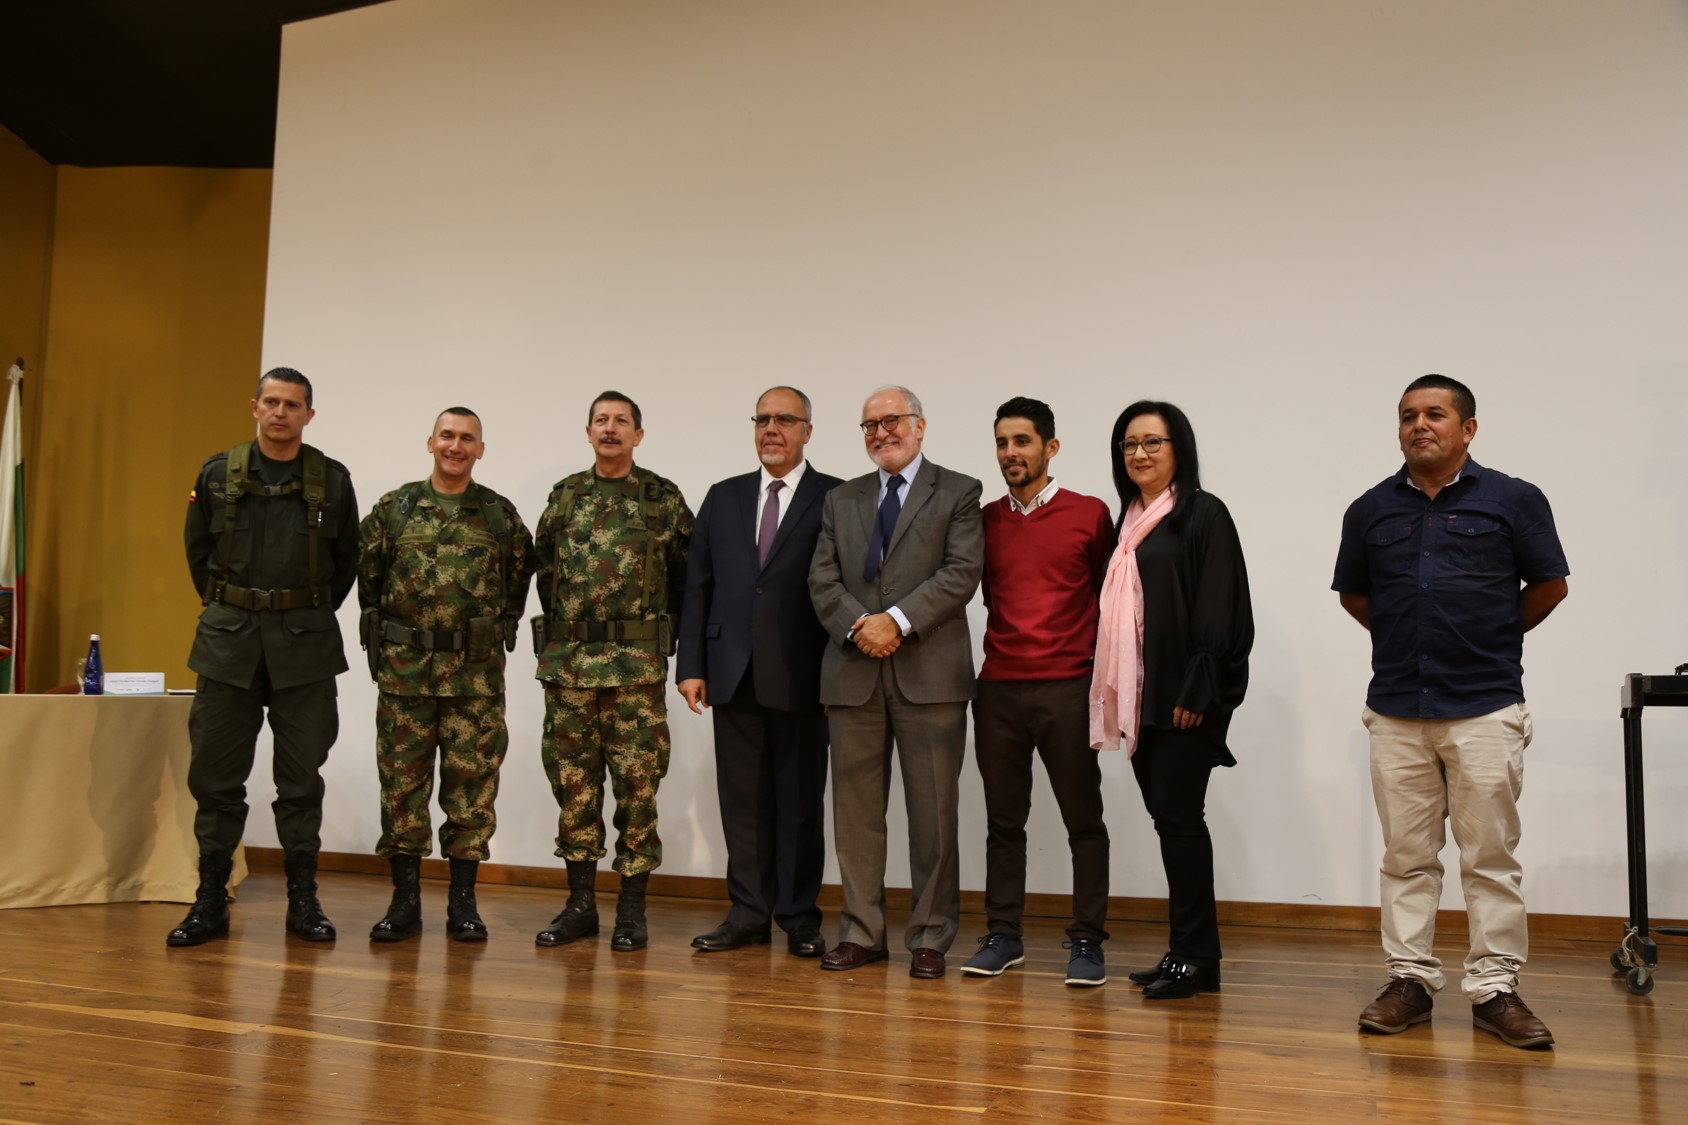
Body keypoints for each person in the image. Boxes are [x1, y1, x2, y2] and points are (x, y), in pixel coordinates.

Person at [1334, 374, 1568, 1050]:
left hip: (1484, 706)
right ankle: (1409, 980)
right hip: (1396, 707)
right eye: (1408, 415)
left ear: (1468, 428)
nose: (1419, 425)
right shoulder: (1370, 509)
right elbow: (1355, 596)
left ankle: (1495, 988)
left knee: (1489, 856)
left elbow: (1549, 585)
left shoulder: (1514, 499)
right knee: (1407, 856)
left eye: (1435, 414)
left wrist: (1487, 635)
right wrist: (1409, 638)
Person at [170, 366, 358, 947]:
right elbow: (197, 552)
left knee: (301, 780)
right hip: (229, 646)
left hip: (304, 647)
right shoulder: (217, 475)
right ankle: (210, 900)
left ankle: (303, 901)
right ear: (254, 406)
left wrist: (296, 610)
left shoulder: (332, 481)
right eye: (271, 402)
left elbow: (345, 563)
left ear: (309, 415)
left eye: (292, 405)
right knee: (215, 778)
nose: (281, 413)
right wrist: (237, 608)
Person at [808, 385, 983, 979]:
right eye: (870, 425)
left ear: (920, 425)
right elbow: (822, 580)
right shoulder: (840, 499)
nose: (881, 433)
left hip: (930, 678)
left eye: (892, 421)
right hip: (852, 674)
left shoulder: (958, 491)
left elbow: (961, 572)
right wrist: (862, 627)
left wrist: (897, 622)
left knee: (934, 815)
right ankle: (862, 933)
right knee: (855, 815)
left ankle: (930, 935)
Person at [1091, 400, 1252, 1000]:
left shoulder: (1203, 514)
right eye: (1130, 444)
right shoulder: (1129, 521)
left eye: (1153, 442)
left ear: (1179, 449)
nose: (1140, 454)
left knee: (1181, 822)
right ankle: (1188, 952)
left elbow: (1222, 604)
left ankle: (1196, 959)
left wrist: (1199, 687)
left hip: (1185, 699)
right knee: (1170, 821)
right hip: (1143, 698)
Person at [676, 387, 842, 957]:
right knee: (741, 803)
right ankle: (747, 913)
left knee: (800, 803)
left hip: (804, 676)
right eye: (763, 419)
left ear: (807, 431)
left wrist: (838, 676)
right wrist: (691, 665)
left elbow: (847, 588)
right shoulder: (723, 497)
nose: (772, 428)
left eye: (785, 419)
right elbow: (697, 585)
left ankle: (798, 917)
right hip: (731, 672)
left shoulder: (835, 496)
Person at [357, 407, 534, 943]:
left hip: (473, 679)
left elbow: (518, 584)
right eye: (448, 436)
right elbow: (369, 581)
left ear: (480, 449)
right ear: (430, 442)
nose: (456, 446)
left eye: (467, 438)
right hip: (405, 676)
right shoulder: (394, 510)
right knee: (401, 788)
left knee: (472, 790)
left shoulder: (499, 516)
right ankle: (404, 901)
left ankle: (463, 903)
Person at [532, 391, 693, 953]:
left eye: (621, 421)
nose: (610, 428)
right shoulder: (564, 498)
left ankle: (631, 910)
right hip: (570, 671)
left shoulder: (662, 500)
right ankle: (580, 906)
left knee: (637, 791)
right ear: (588, 432)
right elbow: (545, 572)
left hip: (635, 673)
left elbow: (687, 579)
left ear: (637, 435)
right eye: (601, 420)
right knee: (574, 790)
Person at [961, 397, 1115, 985]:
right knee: (1004, 823)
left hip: (1068, 689)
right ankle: (1003, 936)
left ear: (1051, 447)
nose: (1010, 453)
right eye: (1002, 442)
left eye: (1022, 441)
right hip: (998, 691)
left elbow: (1109, 601)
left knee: (1084, 821)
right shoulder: (982, 520)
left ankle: (1087, 941)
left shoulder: (1090, 514)